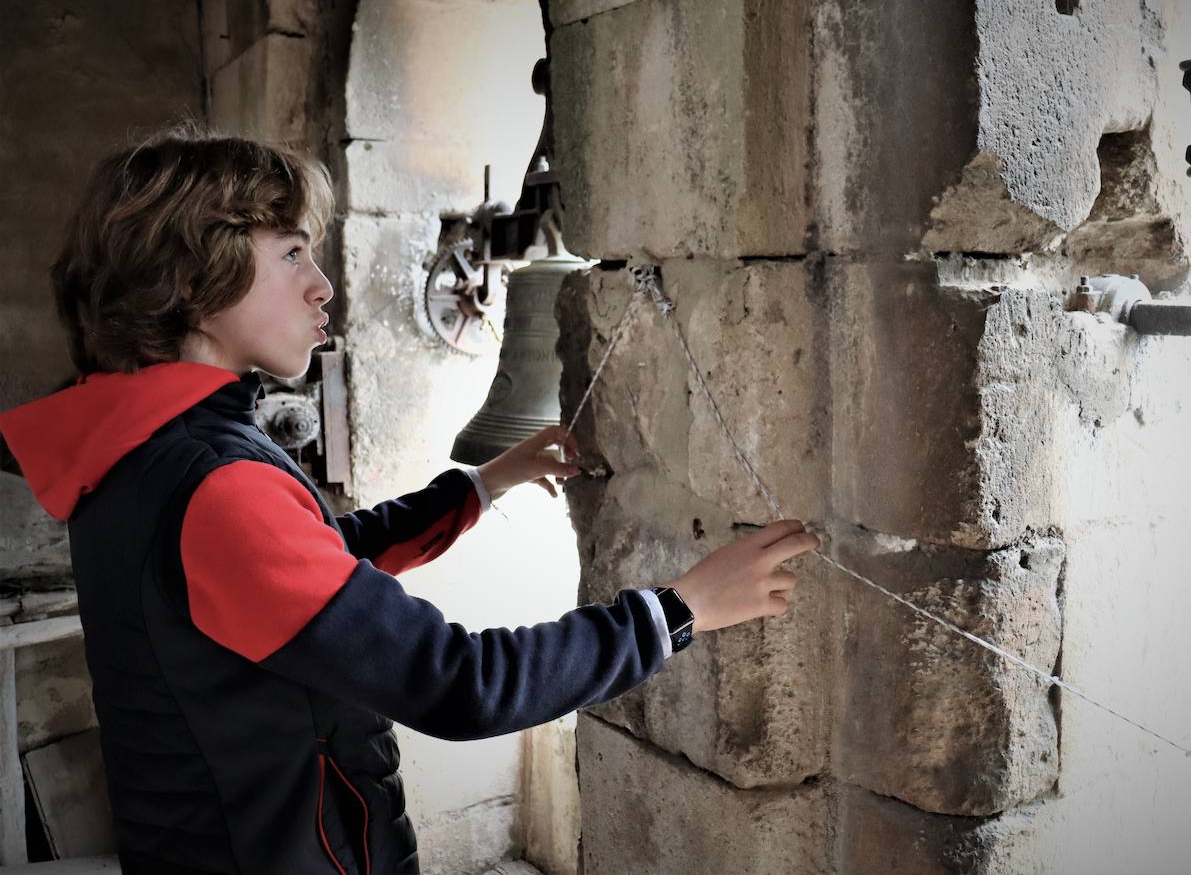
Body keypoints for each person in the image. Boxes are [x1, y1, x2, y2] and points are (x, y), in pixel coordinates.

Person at [0, 127, 819, 874]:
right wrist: (680, 611)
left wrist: (481, 485)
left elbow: (317, 562)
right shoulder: (215, 486)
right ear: (191, 275)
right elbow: (459, 682)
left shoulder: (136, 447)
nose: (322, 286)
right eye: (291, 254)